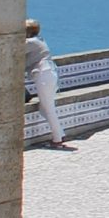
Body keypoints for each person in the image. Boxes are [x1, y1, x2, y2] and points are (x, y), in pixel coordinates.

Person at [24, 19, 67, 147]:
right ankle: (60, 134)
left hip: (44, 75)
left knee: (48, 108)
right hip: (50, 74)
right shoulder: (39, 40)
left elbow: (13, 50)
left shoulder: (31, 42)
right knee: (45, 108)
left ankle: (57, 139)